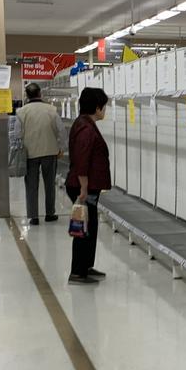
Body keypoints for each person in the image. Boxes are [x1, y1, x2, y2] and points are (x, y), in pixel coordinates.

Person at [65, 87, 111, 285]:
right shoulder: (85, 128)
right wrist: (83, 189)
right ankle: (77, 272)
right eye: (104, 107)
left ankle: (86, 267)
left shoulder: (84, 123)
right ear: (97, 107)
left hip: (87, 185)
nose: (105, 111)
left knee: (89, 226)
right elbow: (82, 161)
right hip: (83, 186)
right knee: (83, 228)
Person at [16, 82, 66, 225]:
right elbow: (61, 130)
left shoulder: (21, 112)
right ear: (40, 94)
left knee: (31, 185)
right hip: (50, 152)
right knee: (50, 184)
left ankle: (34, 216)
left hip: (29, 153)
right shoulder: (51, 110)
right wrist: (62, 148)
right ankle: (50, 214)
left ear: (26, 95)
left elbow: (17, 134)